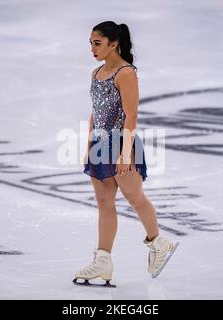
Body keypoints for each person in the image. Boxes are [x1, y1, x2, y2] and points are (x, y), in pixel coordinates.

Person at [73, 21, 179, 287]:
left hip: (121, 144)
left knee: (135, 197)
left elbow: (131, 115)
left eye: (97, 43)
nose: (92, 48)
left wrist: (124, 154)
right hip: (100, 145)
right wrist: (89, 145)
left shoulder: (125, 73)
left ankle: (158, 243)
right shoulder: (96, 73)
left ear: (113, 44)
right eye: (91, 43)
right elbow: (95, 112)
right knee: (104, 203)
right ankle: (103, 260)